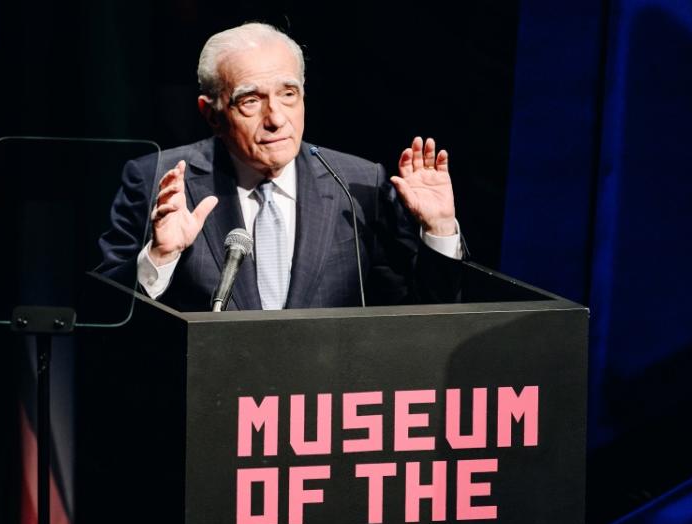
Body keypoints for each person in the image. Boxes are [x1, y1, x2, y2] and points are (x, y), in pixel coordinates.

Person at [97, 22, 464, 311]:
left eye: (288, 94)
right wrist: (161, 257)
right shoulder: (156, 180)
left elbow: (422, 316)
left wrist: (440, 230)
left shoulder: (358, 184)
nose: (276, 119)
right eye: (251, 100)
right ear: (212, 114)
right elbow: (106, 314)